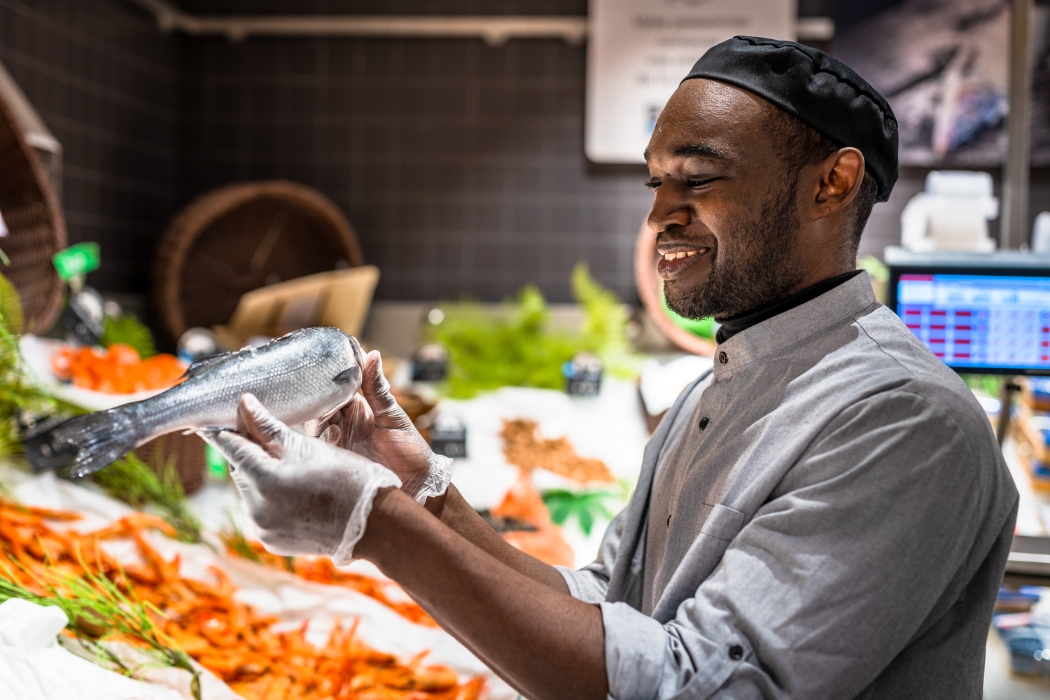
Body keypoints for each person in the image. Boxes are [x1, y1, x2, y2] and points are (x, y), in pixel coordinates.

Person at [208, 37, 1019, 699]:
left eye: (697, 180)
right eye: (656, 182)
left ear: (832, 184)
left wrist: (378, 525)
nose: (661, 215)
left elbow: (696, 687)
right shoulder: (721, 383)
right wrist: (428, 496)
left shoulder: (904, 419)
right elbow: (609, 608)